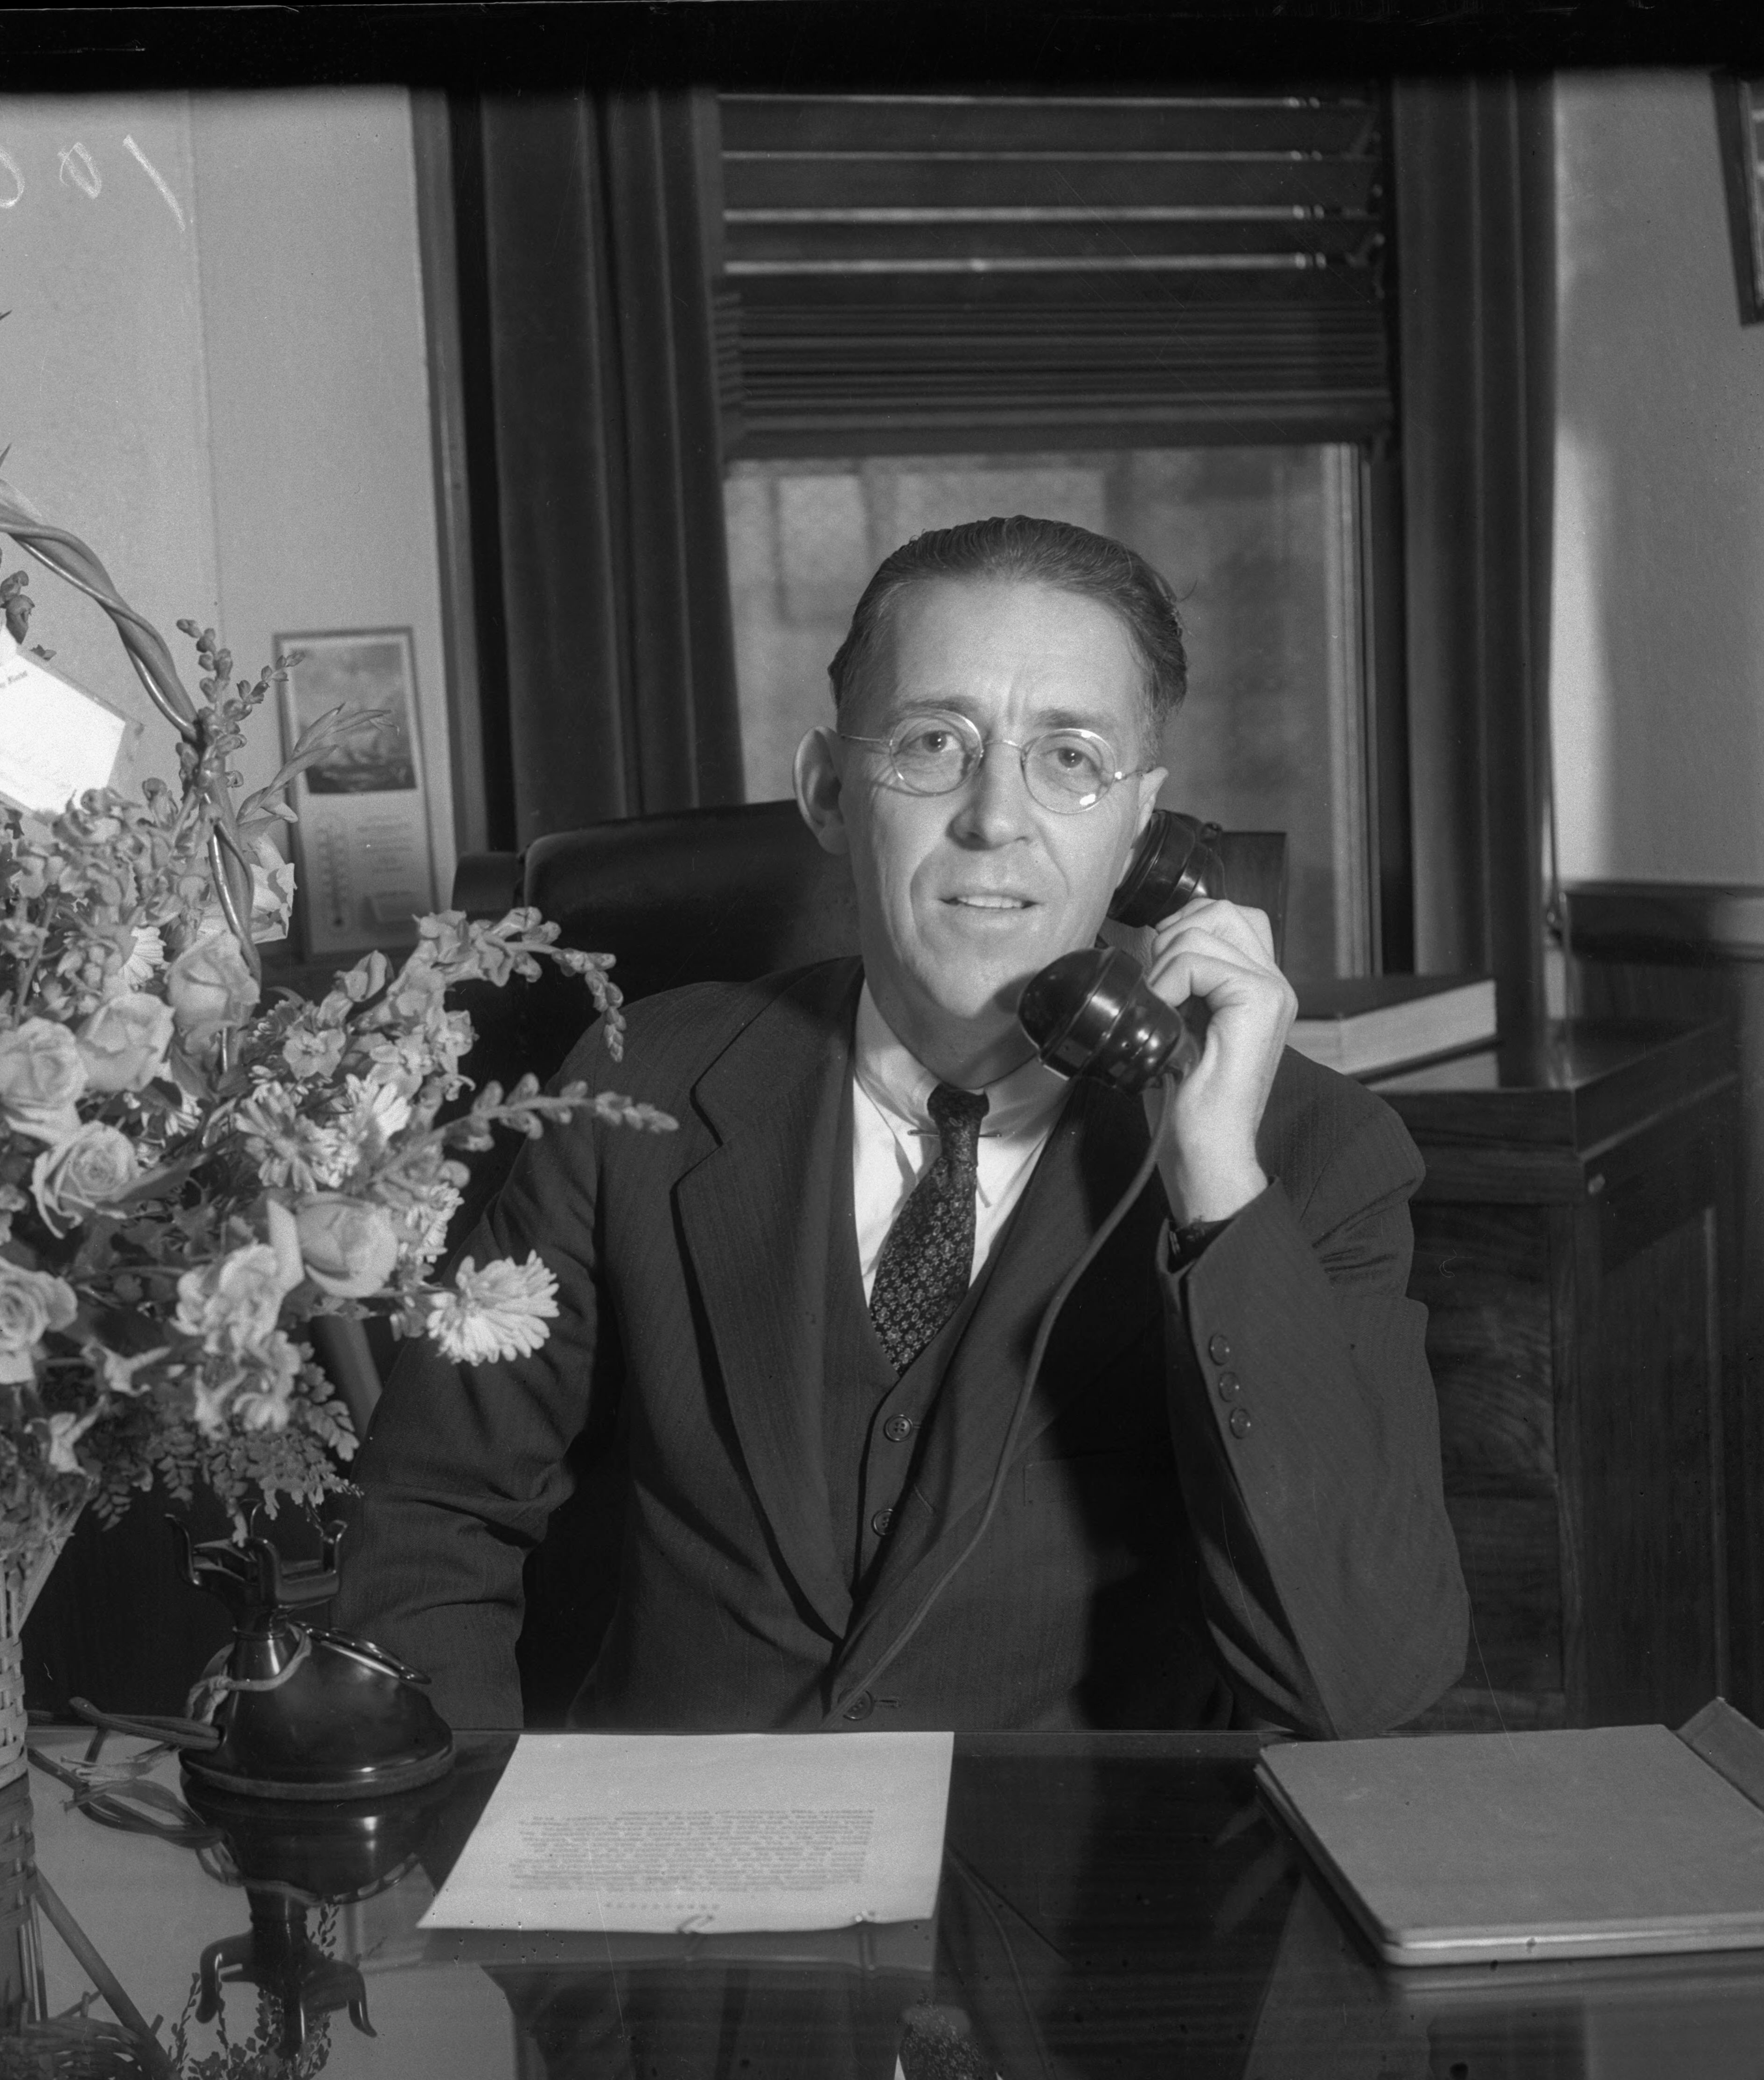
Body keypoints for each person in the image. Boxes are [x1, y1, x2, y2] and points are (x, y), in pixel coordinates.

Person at [335, 515, 1469, 1736]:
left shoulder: (1309, 1156)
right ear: (829, 790)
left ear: (1141, 822)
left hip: (1066, 1906)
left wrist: (1215, 1191)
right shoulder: (636, 1084)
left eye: (1071, 758)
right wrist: (470, 1847)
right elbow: (436, 1515)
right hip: (675, 1892)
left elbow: (1363, 1682)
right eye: (935, 742)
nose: (997, 817)